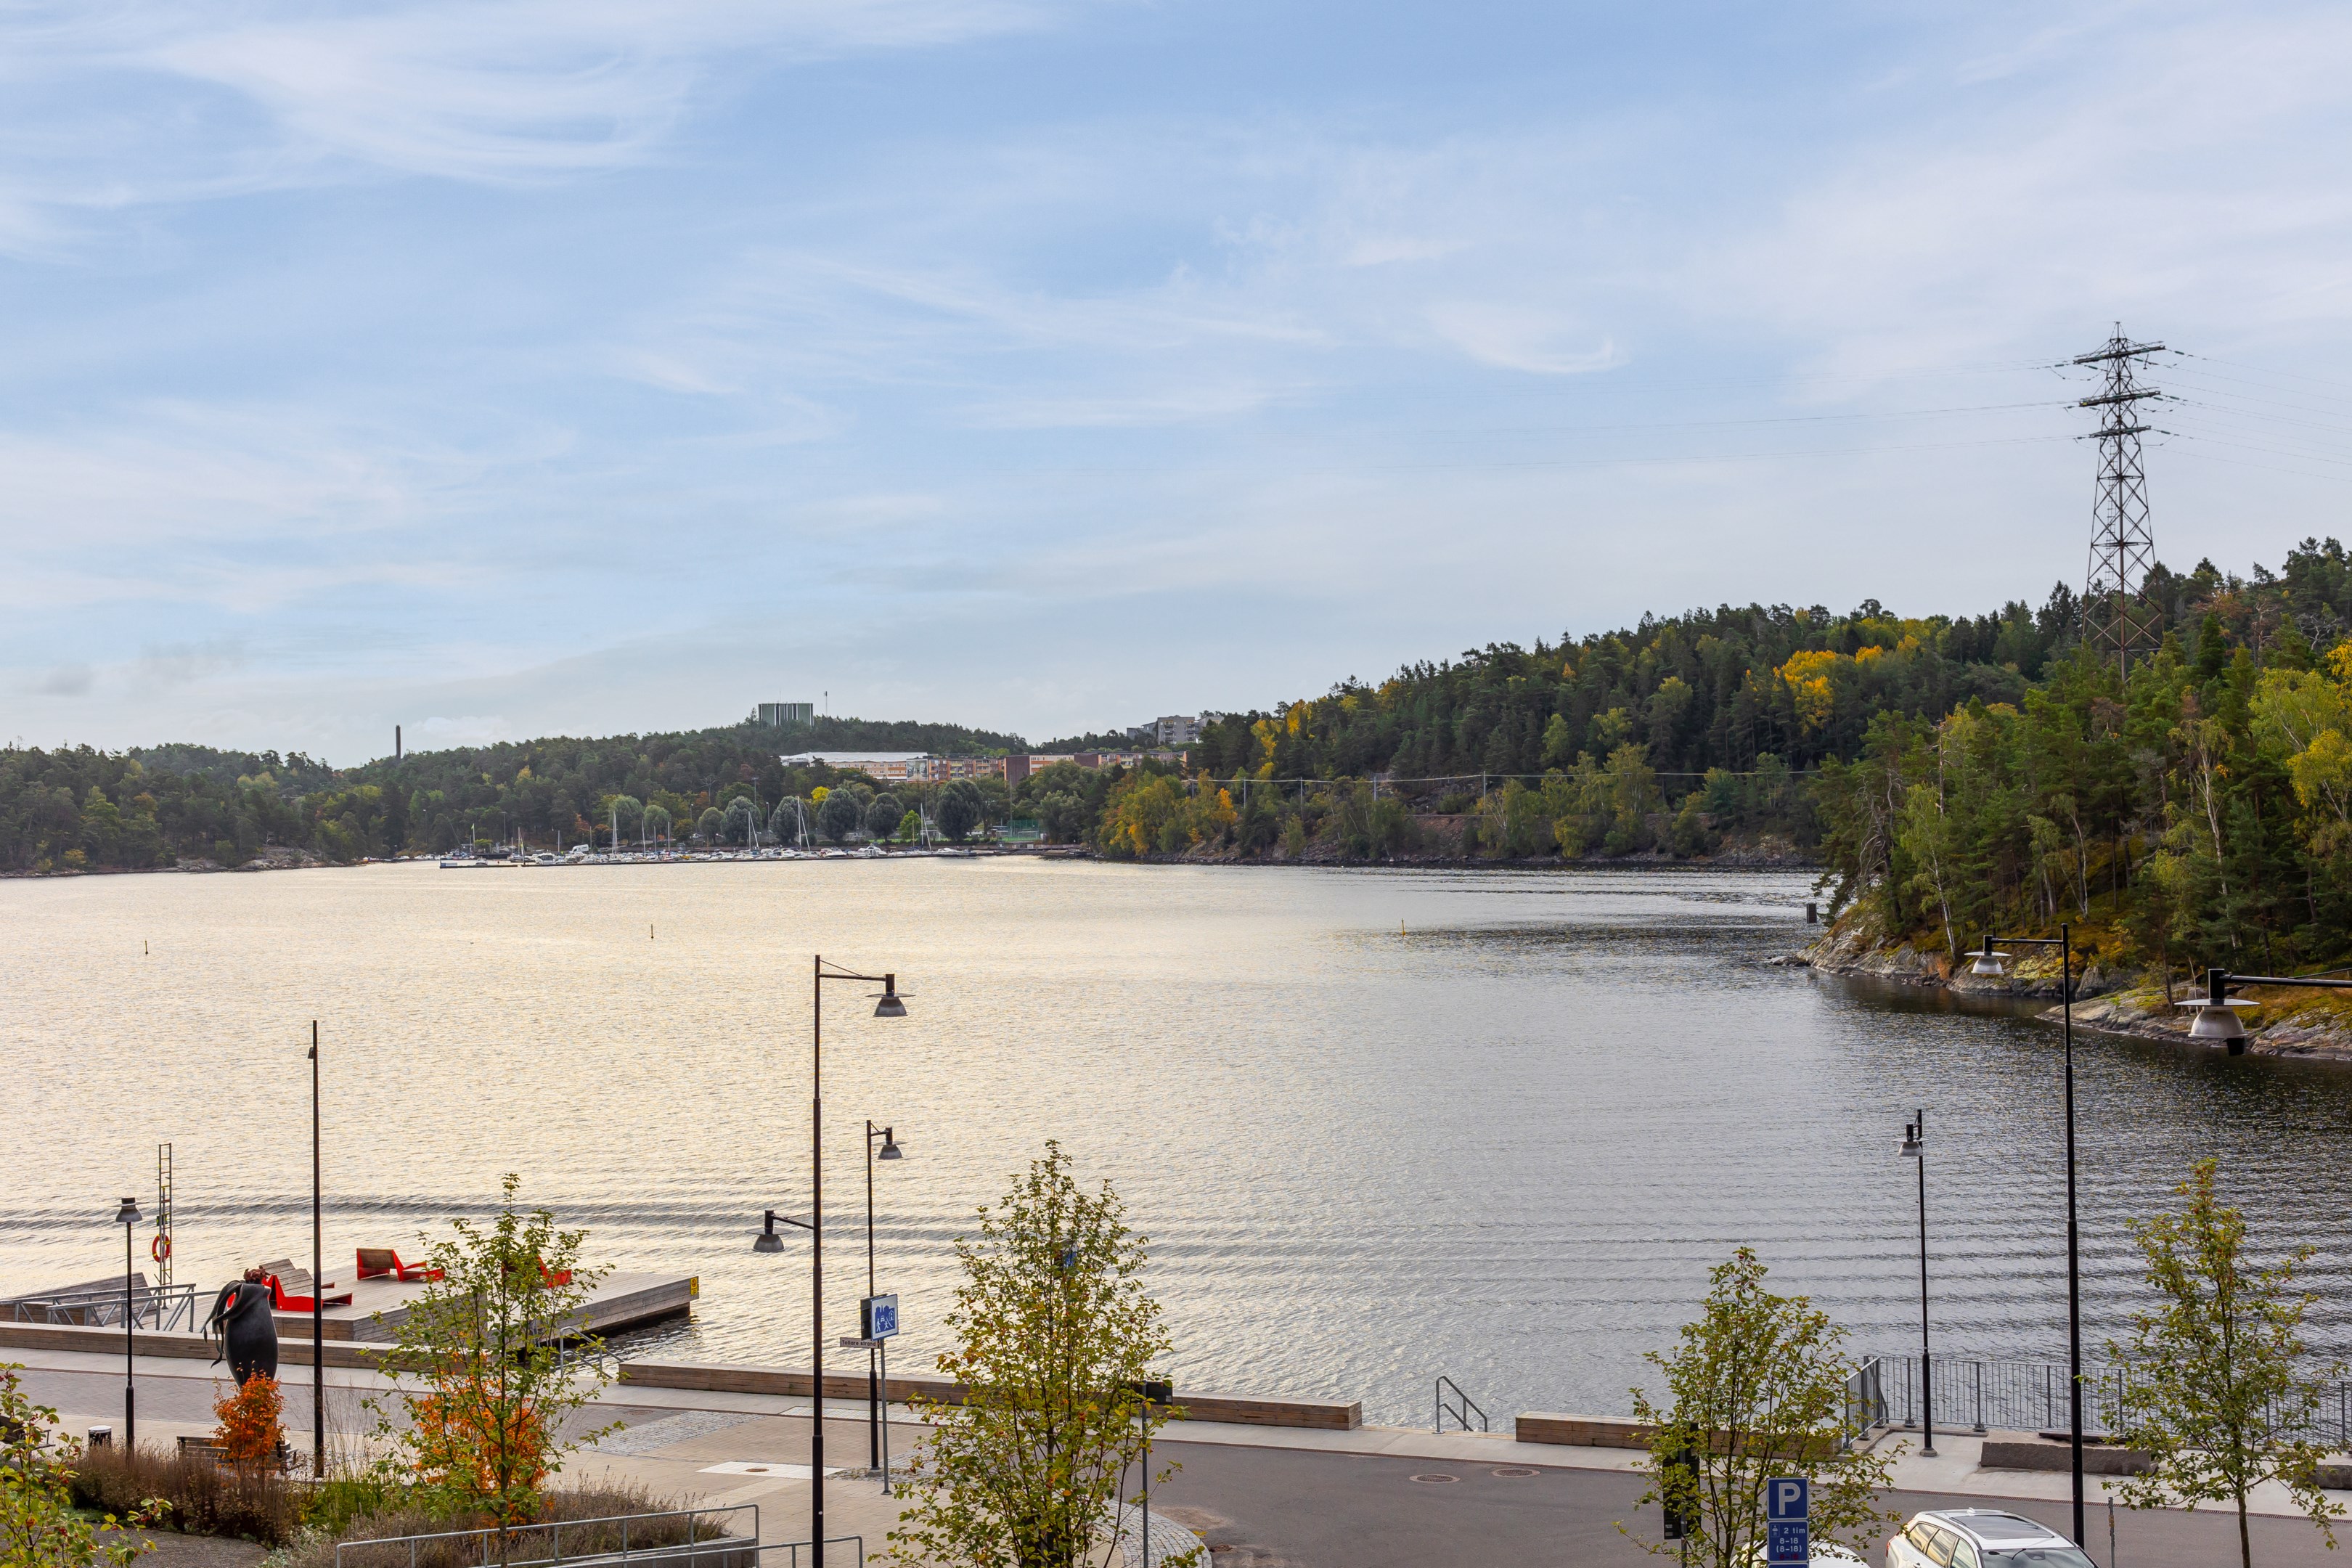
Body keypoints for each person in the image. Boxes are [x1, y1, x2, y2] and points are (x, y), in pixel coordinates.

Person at [205, 1267, 279, 1385]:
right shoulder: (260, 1295)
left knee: (251, 1375)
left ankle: (251, 1394)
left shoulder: (252, 1293)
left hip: (241, 1331)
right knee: (258, 1375)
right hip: (259, 1329)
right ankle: (255, 1394)